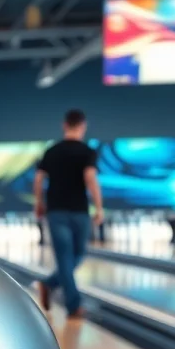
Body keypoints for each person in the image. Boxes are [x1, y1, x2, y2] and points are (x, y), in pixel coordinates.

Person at [34, 109, 104, 319]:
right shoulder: (87, 152)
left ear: (65, 125)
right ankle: (74, 306)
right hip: (79, 211)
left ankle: (48, 284)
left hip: (56, 211)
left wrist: (39, 202)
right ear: (83, 126)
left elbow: (38, 179)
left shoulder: (51, 151)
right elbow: (90, 178)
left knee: (69, 257)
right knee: (75, 256)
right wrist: (99, 207)